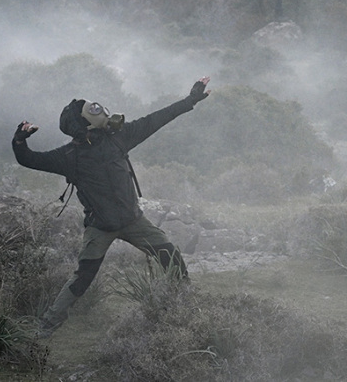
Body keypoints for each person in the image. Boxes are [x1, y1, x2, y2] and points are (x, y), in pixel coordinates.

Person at [11, 77, 212, 337]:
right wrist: (19, 140)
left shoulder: (118, 138)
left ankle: (185, 310)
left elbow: (157, 119)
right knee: (83, 278)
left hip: (132, 220)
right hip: (100, 226)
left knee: (170, 256)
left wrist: (191, 99)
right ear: (83, 122)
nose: (101, 111)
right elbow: (28, 159)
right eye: (92, 110)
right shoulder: (68, 157)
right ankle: (46, 328)